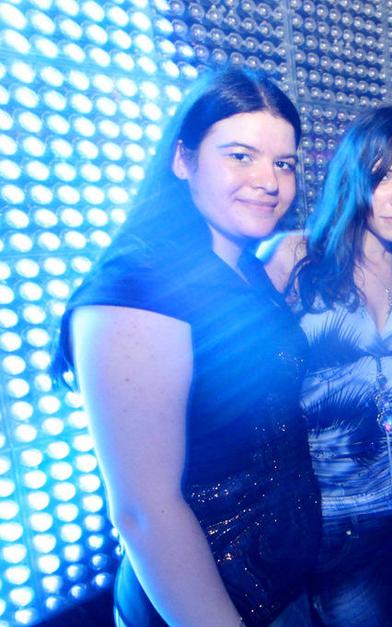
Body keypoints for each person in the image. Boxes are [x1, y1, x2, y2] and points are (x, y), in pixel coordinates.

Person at [54, 68, 321, 626]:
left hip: (283, 586)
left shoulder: (243, 266)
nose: (269, 181)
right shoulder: (136, 290)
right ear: (183, 159)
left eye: (284, 163)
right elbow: (144, 512)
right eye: (241, 156)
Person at [266, 106, 392, 626]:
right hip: (343, 516)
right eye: (383, 177)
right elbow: (254, 384)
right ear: (354, 177)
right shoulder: (296, 258)